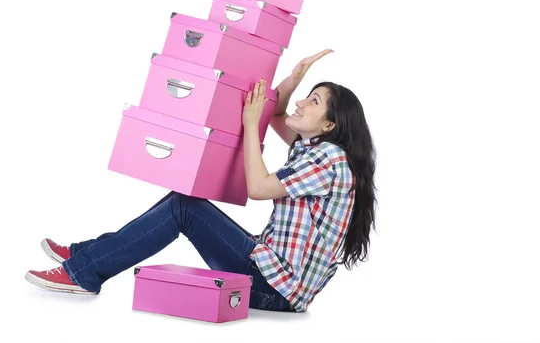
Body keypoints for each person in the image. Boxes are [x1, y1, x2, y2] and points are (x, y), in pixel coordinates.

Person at [25, 49, 377, 313]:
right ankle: (85, 255)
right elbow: (280, 112)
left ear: (330, 125)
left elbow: (258, 188)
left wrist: (249, 123)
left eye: (313, 101)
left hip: (274, 287)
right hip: (269, 272)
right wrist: (296, 77)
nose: (302, 102)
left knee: (184, 206)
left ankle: (83, 272)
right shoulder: (316, 150)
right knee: (183, 200)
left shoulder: (327, 160)